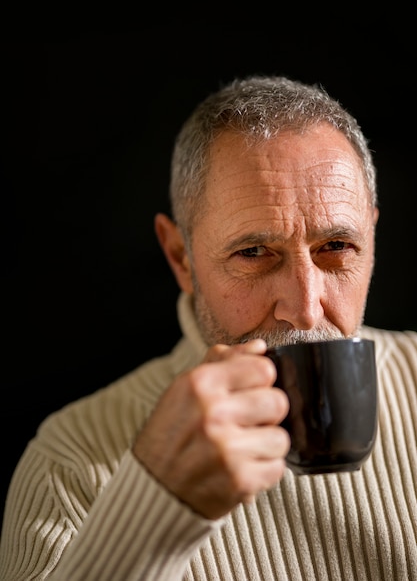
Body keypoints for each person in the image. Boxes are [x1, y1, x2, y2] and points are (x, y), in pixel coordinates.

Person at [0, 75, 416, 581]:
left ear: (371, 236)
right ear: (181, 258)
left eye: (336, 248)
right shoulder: (69, 465)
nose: (306, 310)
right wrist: (154, 505)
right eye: (254, 253)